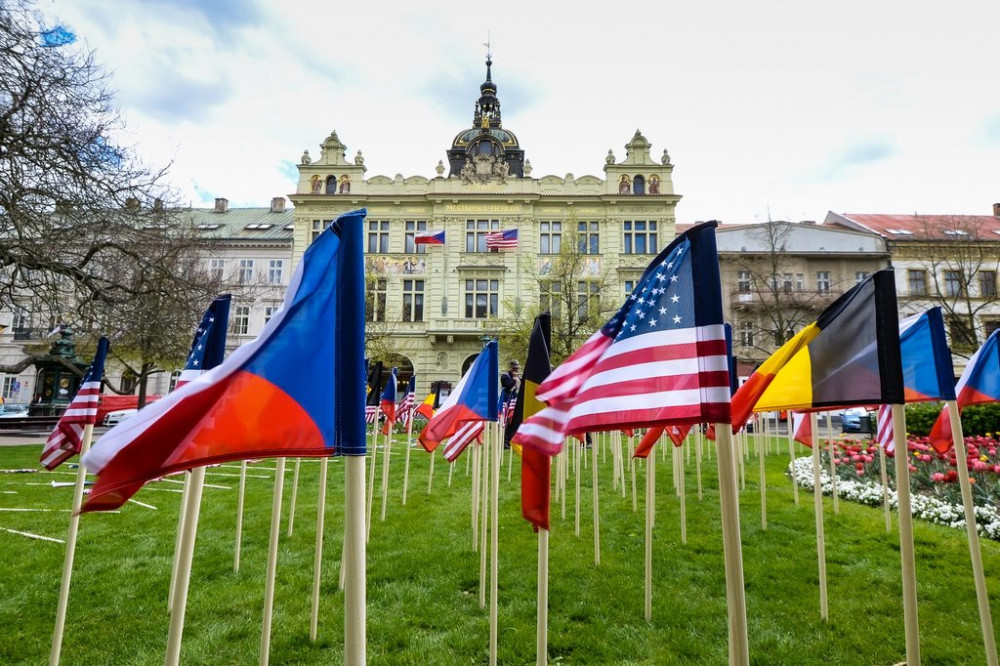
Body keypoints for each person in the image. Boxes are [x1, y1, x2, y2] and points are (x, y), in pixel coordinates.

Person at [500, 359, 521, 448]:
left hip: (514, 402)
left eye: (517, 369)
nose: (516, 371)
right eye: (514, 369)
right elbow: (509, 386)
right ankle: (505, 442)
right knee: (506, 422)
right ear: (510, 368)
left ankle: (511, 440)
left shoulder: (518, 378)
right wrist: (514, 378)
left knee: (514, 422)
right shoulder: (505, 376)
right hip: (506, 403)